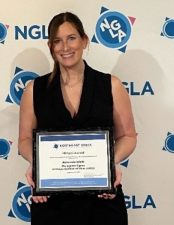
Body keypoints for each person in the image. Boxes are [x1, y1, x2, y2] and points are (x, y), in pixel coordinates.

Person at [18, 12, 137, 225]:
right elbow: (24, 140)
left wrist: (110, 163)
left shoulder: (111, 85)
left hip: (102, 201)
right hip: (51, 203)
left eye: (71, 38)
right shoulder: (34, 90)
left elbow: (128, 136)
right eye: (57, 41)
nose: (65, 47)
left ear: (84, 40)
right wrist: (37, 164)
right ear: (50, 47)